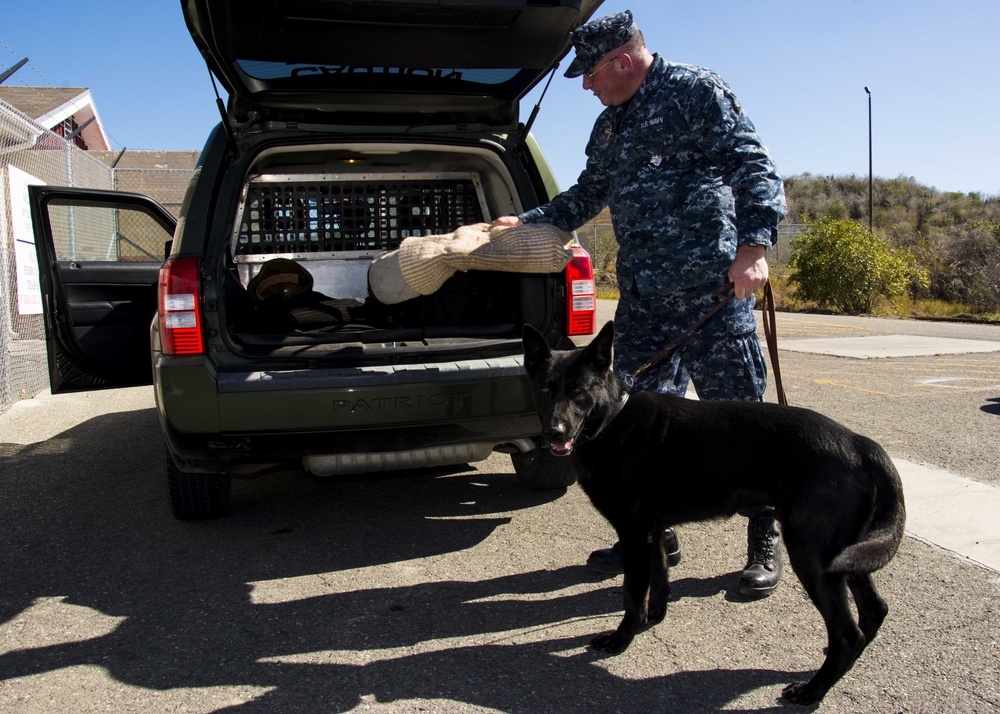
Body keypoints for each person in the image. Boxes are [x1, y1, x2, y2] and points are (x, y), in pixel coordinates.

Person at [493, 10, 787, 598]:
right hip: (646, 300)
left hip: (712, 292)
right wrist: (523, 223)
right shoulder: (608, 127)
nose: (586, 85)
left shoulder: (695, 92)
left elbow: (753, 164)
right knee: (641, 425)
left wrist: (754, 248)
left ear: (622, 61)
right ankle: (654, 532)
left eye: (590, 73)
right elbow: (587, 192)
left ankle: (764, 538)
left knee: (742, 422)